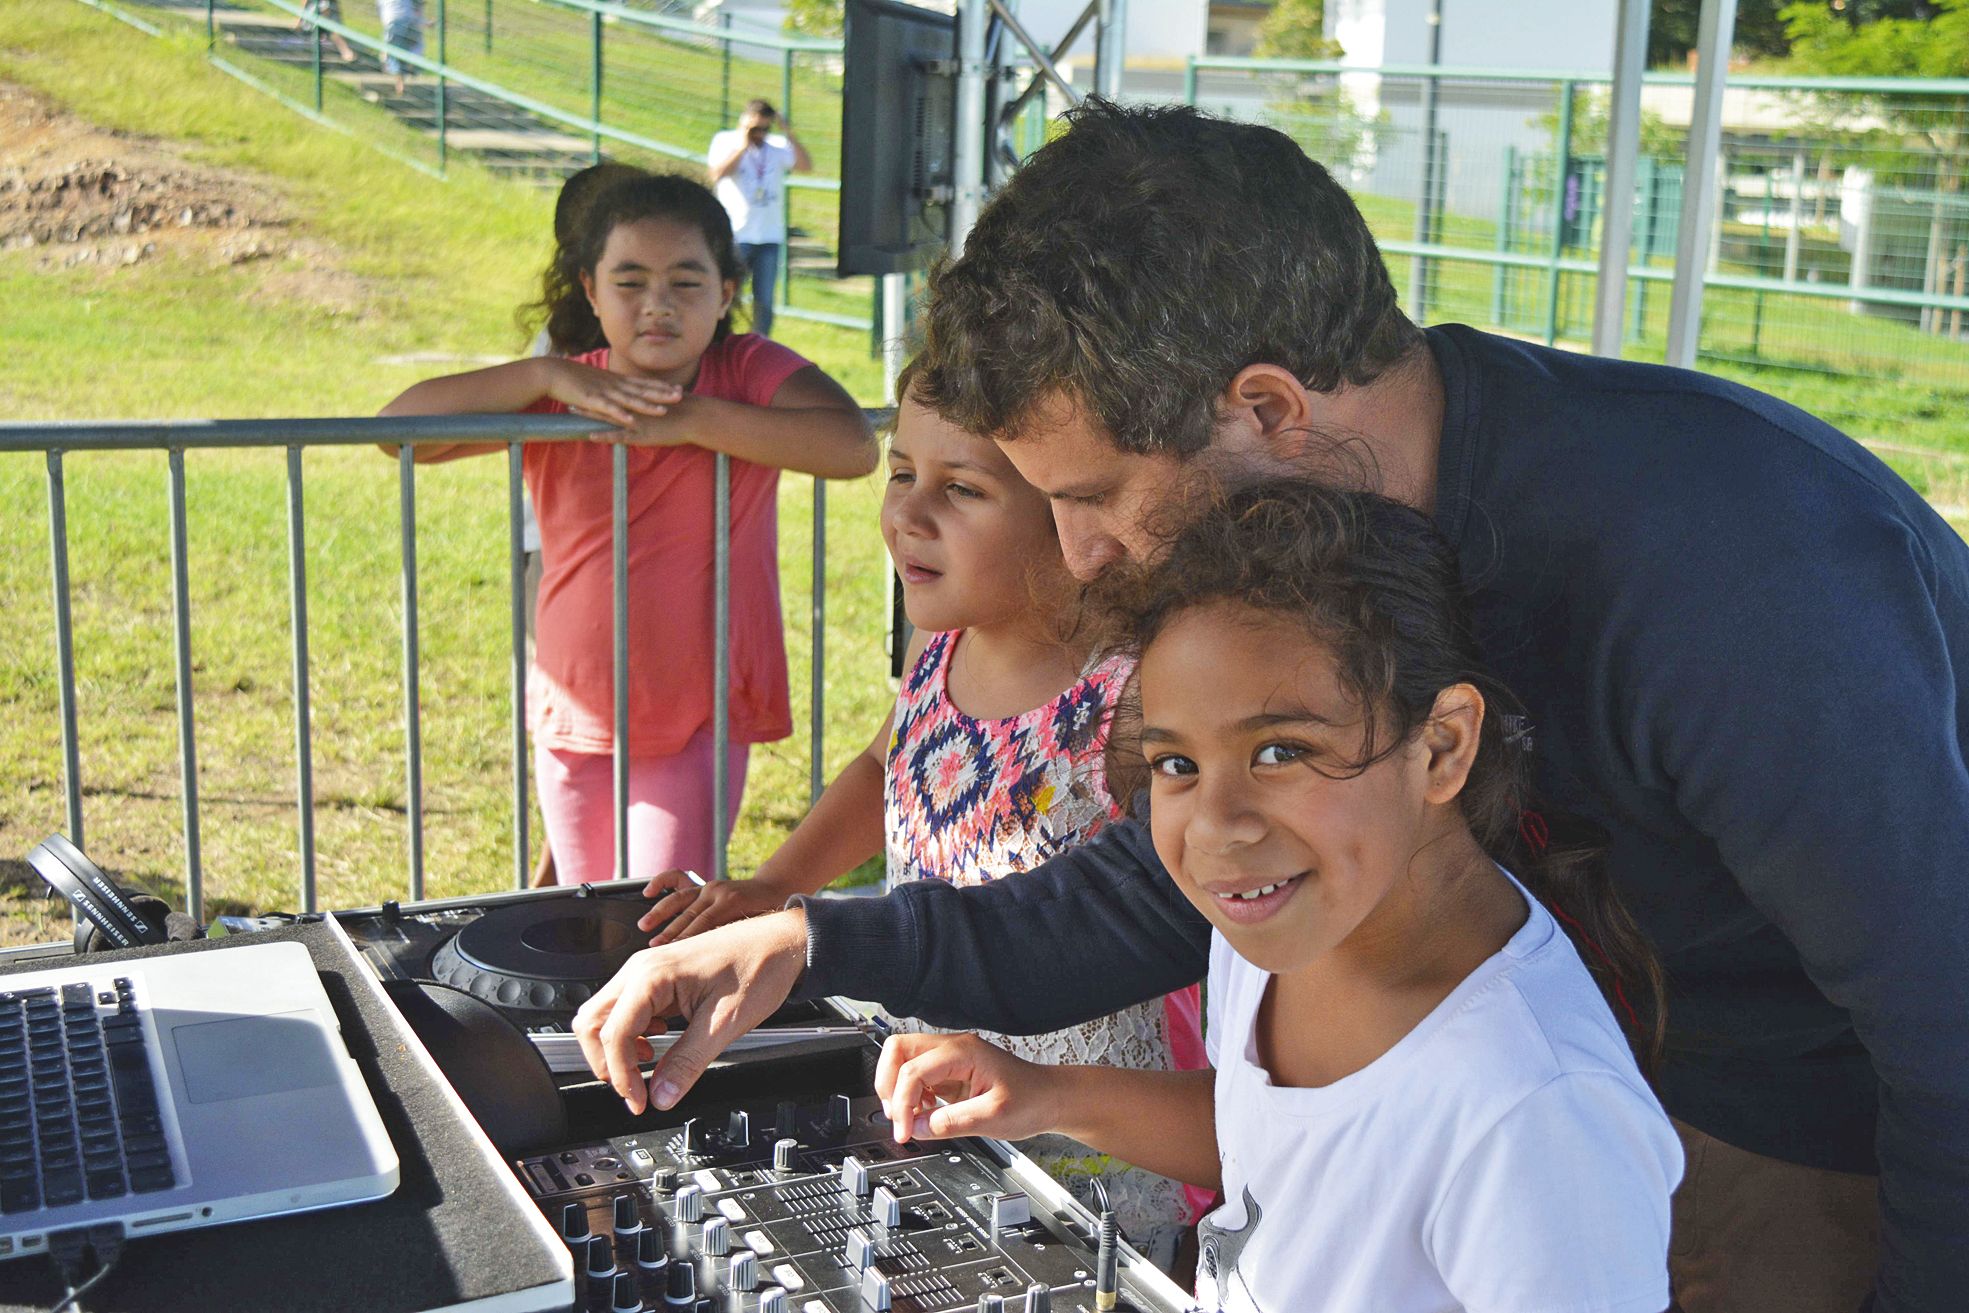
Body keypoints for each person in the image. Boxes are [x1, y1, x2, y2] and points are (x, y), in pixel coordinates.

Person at [571, 102, 1969, 1311]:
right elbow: (1142, 896)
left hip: (1805, 1112)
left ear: (1268, 410)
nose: (1082, 559)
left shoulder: (1732, 577)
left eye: (1096, 497)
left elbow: (1948, 1028)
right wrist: (805, 938)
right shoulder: (1312, 564)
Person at [878, 479, 1683, 1311]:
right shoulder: (1273, 915)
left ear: (1442, 747)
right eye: (1177, 765)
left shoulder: (1536, 1115)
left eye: (1280, 752)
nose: (1218, 827)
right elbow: (1270, 1142)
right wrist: (1047, 1094)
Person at [635, 377, 1209, 1261]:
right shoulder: (934, 644)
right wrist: (777, 884)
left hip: (1092, 1170)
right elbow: (883, 763)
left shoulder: (1133, 694)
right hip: (935, 1115)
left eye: (962, 488)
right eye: (901, 472)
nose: (908, 512)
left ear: (1068, 513)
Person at [379, 172, 874, 883]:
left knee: (656, 921)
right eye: (630, 281)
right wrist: (545, 375)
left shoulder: (743, 370)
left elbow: (853, 445)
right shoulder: (568, 390)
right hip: (575, 705)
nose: (657, 306)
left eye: (685, 282)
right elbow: (396, 433)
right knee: (589, 919)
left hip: (697, 710)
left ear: (727, 292)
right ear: (590, 290)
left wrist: (693, 422)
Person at [521, 161, 648, 887]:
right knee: (575, 724)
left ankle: (555, 878)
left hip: (637, 565)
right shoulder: (558, 347)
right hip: (559, 555)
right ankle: (553, 876)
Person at [706, 100, 809, 338]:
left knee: (764, 299)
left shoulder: (776, 147)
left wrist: (788, 132)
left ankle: (760, 343)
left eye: (765, 128)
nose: (760, 134)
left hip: (769, 235)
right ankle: (721, 338)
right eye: (755, 129)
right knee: (727, 293)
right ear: (744, 123)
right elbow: (716, 174)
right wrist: (743, 143)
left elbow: (805, 165)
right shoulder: (725, 141)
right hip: (737, 234)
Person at [379, 0, 425, 98]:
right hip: (404, 21)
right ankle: (403, 80)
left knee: (395, 53)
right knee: (400, 52)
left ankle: (400, 83)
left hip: (393, 22)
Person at [293, 0, 356, 64]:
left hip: (326, 8)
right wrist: (300, 19)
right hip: (315, 9)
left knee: (332, 27)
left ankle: (345, 51)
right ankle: (345, 51)